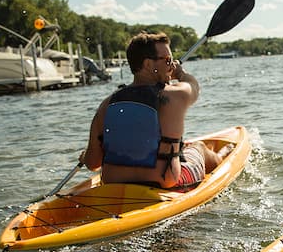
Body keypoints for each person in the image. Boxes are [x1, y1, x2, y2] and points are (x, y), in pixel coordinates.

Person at [80, 31, 227, 188]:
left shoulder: (107, 104)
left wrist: (84, 157)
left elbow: (93, 163)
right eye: (167, 60)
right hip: (164, 183)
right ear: (148, 64)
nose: (172, 65)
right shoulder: (174, 95)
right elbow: (194, 87)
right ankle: (223, 156)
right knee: (199, 148)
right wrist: (180, 73)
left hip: (114, 183)